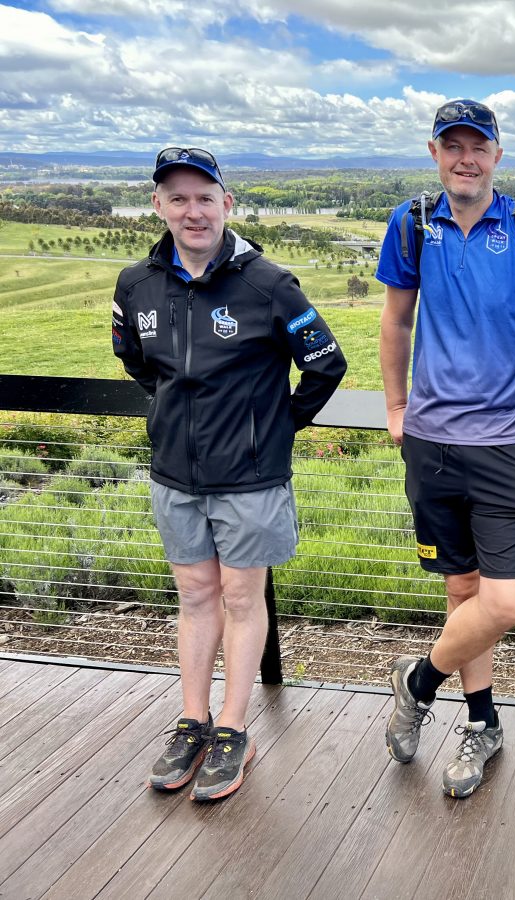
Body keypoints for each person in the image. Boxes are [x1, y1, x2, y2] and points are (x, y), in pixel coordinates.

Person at [111, 147, 346, 801]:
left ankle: (234, 729)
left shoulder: (269, 284)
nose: (193, 211)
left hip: (249, 479)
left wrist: (274, 426)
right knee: (194, 597)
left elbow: (327, 362)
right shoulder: (136, 285)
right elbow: (133, 356)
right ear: (157, 205)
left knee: (242, 600)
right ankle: (194, 719)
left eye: (204, 197)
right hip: (174, 477)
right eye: (178, 198)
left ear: (227, 205)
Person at [377, 100, 515, 798]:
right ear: (434, 153)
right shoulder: (411, 225)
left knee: (506, 603)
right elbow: (395, 322)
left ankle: (419, 681)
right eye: (453, 146)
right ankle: (482, 723)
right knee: (462, 592)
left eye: (479, 146)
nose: (465, 158)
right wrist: (394, 406)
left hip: (512, 447)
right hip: (434, 445)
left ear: (498, 155)